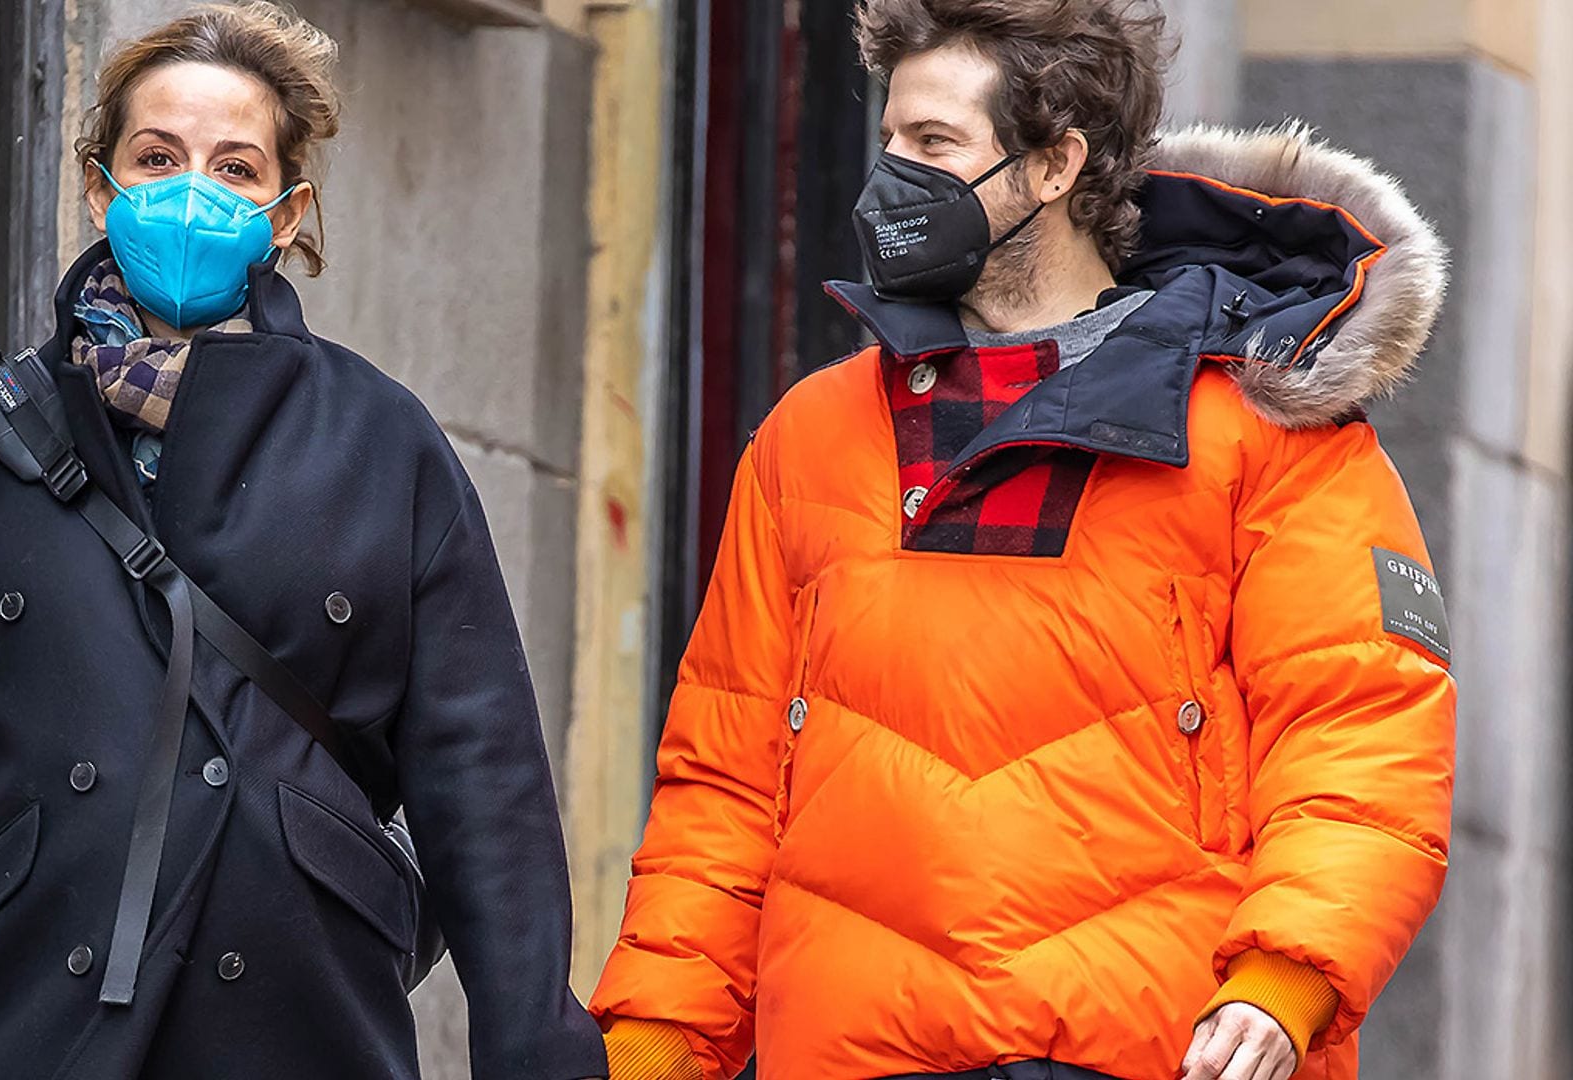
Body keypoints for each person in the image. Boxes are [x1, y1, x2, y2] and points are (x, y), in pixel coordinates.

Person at [590, 2, 1454, 1079]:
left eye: (934, 144)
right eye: (891, 138)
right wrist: (651, 1043)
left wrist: (1287, 980)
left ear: (1054, 166)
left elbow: (1360, 736)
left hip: (1154, 1051)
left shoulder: (1266, 437)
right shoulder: (809, 438)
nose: (890, 176)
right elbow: (722, 787)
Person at [0, 5, 607, 1078]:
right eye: (157, 156)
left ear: (286, 212)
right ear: (102, 188)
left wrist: (537, 1055)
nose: (192, 192)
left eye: (234, 168)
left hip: (298, 1021)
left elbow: (483, 786)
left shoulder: (381, 443)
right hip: (29, 1022)